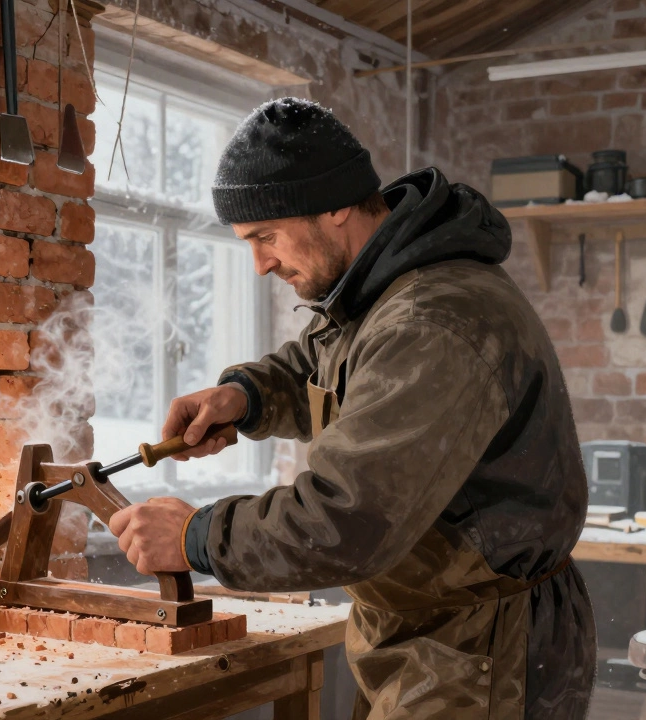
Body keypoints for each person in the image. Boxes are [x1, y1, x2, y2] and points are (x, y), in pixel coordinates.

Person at [108, 97, 595, 719]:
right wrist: (246, 396)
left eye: (267, 236)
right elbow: (319, 363)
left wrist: (196, 536)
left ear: (335, 205)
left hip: (480, 648)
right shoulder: (376, 291)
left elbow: (345, 520)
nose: (259, 264)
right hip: (419, 628)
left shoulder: (433, 320)